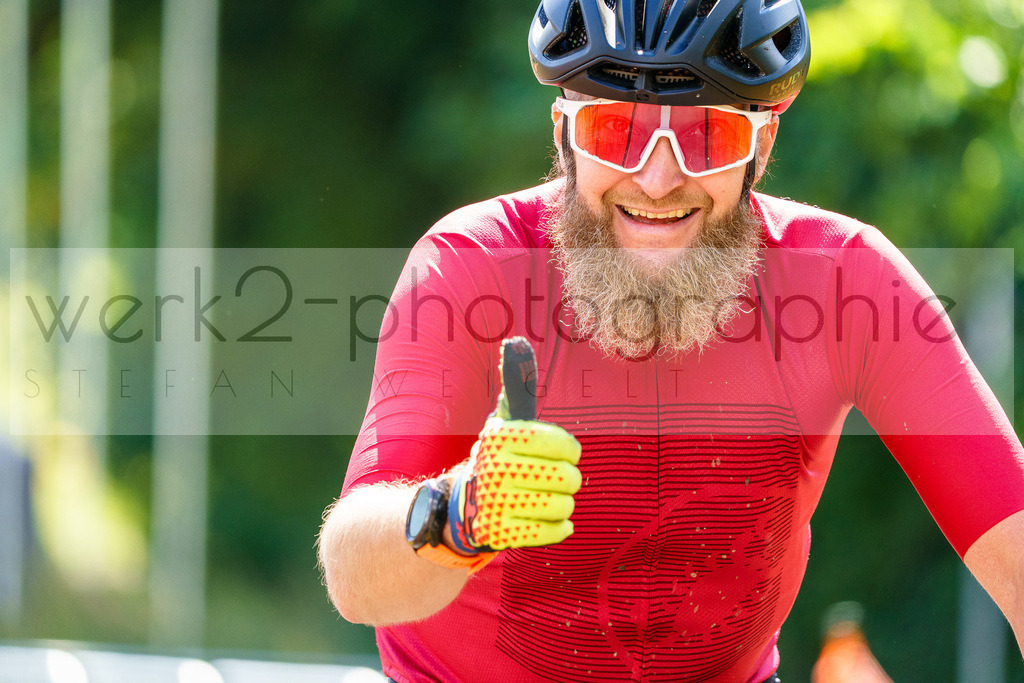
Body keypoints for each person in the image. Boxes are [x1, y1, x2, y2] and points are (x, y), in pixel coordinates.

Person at [318, 0, 1024, 680]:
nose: (657, 179)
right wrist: (460, 510)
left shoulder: (848, 284)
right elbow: (354, 577)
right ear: (563, 134)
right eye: (613, 130)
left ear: (763, 143)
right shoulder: (471, 266)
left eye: (706, 136)